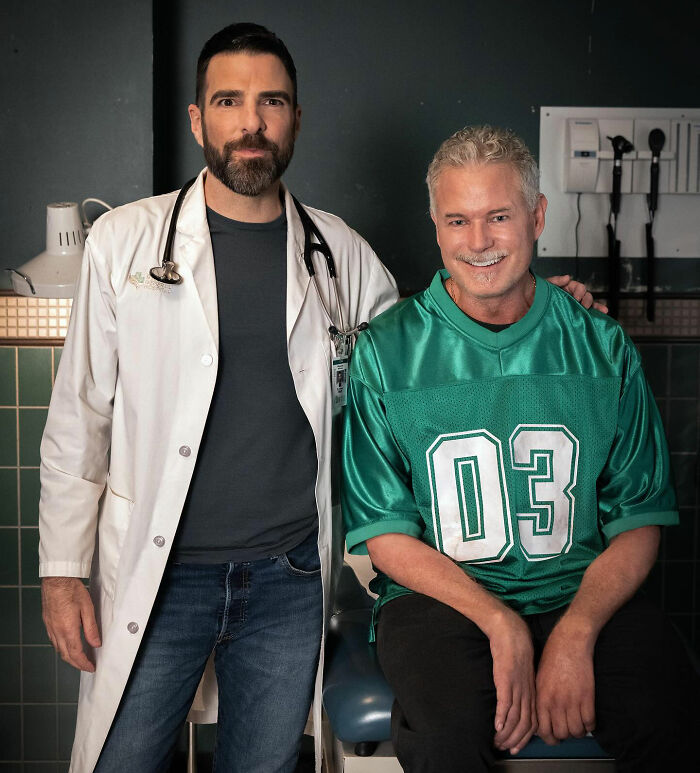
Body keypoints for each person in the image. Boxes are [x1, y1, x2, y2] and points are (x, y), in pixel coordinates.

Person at [38, 23, 597, 773]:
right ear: (199, 119)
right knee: (122, 760)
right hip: (156, 571)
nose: (251, 122)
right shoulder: (123, 244)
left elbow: (432, 349)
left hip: (287, 580)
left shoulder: (343, 257)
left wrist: (539, 306)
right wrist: (63, 569)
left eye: (272, 102)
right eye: (228, 101)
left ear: (296, 120)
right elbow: (80, 419)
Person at [342, 125, 696, 772]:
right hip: (442, 601)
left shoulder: (599, 345)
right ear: (436, 224)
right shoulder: (387, 351)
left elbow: (640, 521)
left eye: (499, 216)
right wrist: (500, 624)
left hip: (580, 589)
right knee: (449, 735)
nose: (478, 241)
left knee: (668, 713)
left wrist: (577, 631)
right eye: (458, 220)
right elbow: (385, 534)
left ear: (536, 217)